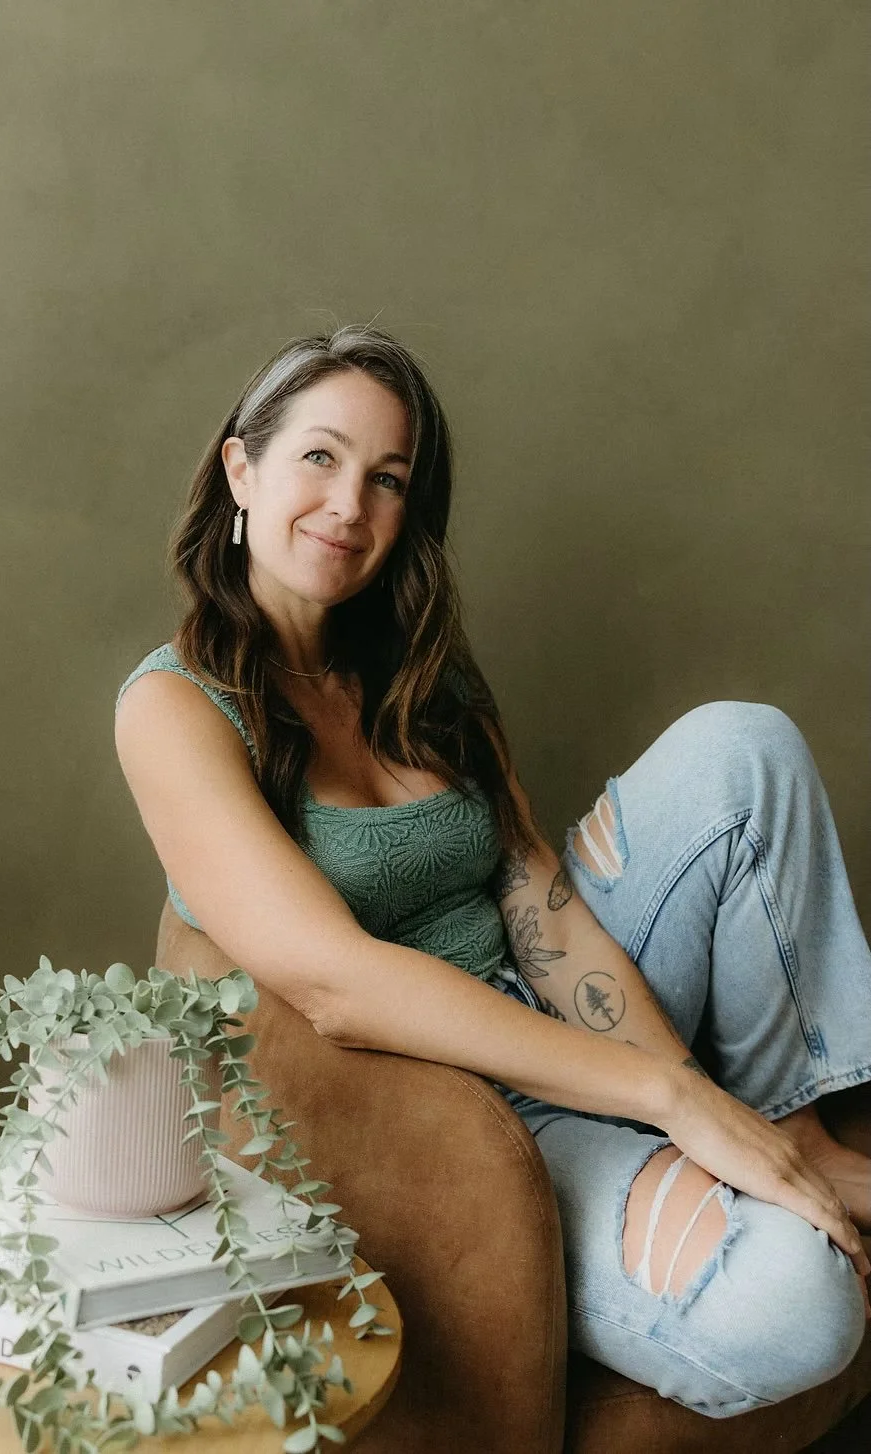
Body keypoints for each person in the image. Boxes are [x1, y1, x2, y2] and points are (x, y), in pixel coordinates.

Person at [114, 323, 871, 1419]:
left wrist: (713, 1109)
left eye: (387, 479)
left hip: (550, 1017)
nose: (349, 506)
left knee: (743, 747)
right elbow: (335, 982)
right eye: (319, 457)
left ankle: (794, 1128)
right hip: (456, 1114)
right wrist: (672, 1095)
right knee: (798, 1305)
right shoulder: (174, 706)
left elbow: (543, 909)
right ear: (243, 465)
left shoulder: (421, 671)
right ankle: (725, 1175)